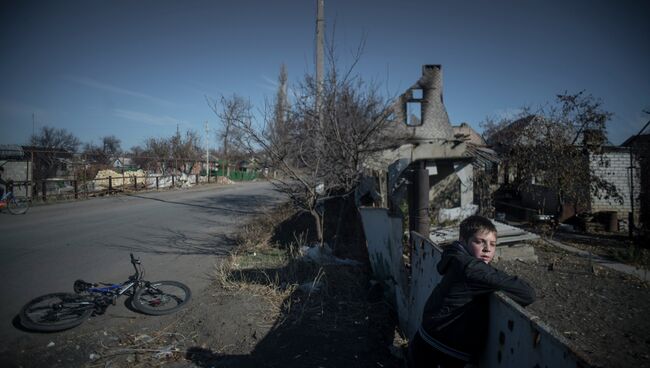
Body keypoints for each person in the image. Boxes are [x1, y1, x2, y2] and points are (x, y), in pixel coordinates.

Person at [409, 215, 535, 368]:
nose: (487, 249)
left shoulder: (456, 257)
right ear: (463, 240)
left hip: (429, 339)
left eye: (493, 244)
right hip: (441, 350)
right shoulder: (472, 268)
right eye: (479, 241)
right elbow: (527, 293)